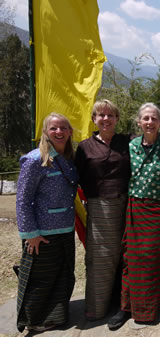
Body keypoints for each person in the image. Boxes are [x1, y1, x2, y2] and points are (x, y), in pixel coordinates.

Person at [108, 103, 160, 329]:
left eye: (154, 118)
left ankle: (148, 309)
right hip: (136, 208)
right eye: (145, 118)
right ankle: (125, 307)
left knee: (154, 260)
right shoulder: (132, 146)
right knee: (132, 258)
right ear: (138, 122)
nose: (150, 122)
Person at [15, 113, 78, 332]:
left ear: (70, 132)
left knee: (62, 274)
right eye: (53, 128)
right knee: (41, 278)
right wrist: (30, 233)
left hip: (66, 228)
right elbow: (23, 199)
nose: (59, 132)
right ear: (45, 132)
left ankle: (55, 318)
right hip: (42, 232)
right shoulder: (35, 160)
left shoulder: (68, 159)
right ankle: (34, 320)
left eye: (63, 128)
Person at [75, 100, 131, 320]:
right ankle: (98, 307)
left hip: (128, 206)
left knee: (126, 255)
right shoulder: (85, 147)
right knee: (101, 258)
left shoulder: (127, 142)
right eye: (101, 115)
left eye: (111, 115)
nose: (106, 119)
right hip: (99, 208)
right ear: (94, 119)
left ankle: (123, 304)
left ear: (117, 119)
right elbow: (75, 178)